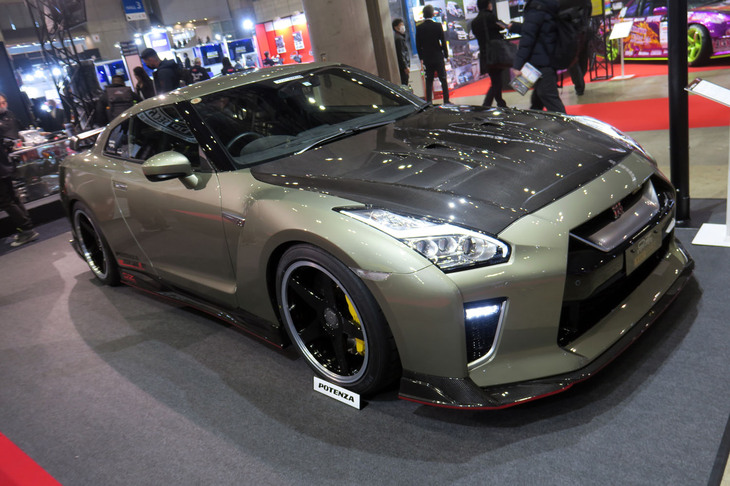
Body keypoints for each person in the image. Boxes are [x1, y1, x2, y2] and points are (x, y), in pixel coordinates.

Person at [509, 0, 566, 113]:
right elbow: (538, 29)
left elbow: (528, 39)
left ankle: (565, 124)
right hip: (546, 58)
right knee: (538, 99)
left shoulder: (536, 7)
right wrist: (516, 27)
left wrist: (517, 65)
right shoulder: (546, 5)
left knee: (548, 97)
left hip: (541, 62)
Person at [0, 93, 38, 247]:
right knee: (12, 199)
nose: (2, 106)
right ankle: (26, 228)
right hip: (5, 164)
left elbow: (12, 136)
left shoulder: (9, 116)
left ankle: (27, 230)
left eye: (3, 102)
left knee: (7, 201)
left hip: (4, 165)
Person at [471, 0, 508, 107]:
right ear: (488, 5)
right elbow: (502, 26)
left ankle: (494, 103)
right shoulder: (490, 17)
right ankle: (493, 103)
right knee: (497, 80)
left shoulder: (474, 22)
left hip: (484, 54)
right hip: (495, 53)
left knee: (495, 79)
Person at [416, 4, 450, 104]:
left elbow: (418, 45)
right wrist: (446, 55)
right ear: (433, 14)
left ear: (423, 14)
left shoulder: (419, 28)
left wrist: (421, 57)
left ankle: (429, 102)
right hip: (438, 56)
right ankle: (446, 100)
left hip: (427, 58)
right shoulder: (438, 26)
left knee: (429, 80)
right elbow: (443, 41)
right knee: (443, 79)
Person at [567, 0, 593, 95]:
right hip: (581, 30)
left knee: (575, 60)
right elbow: (589, 10)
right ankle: (579, 82)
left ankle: (579, 83)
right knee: (580, 58)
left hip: (574, 31)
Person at [392, 18, 411, 86]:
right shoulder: (399, 39)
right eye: (401, 25)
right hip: (403, 68)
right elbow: (401, 53)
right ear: (396, 27)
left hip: (403, 67)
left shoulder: (400, 37)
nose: (403, 26)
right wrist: (405, 66)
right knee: (404, 83)